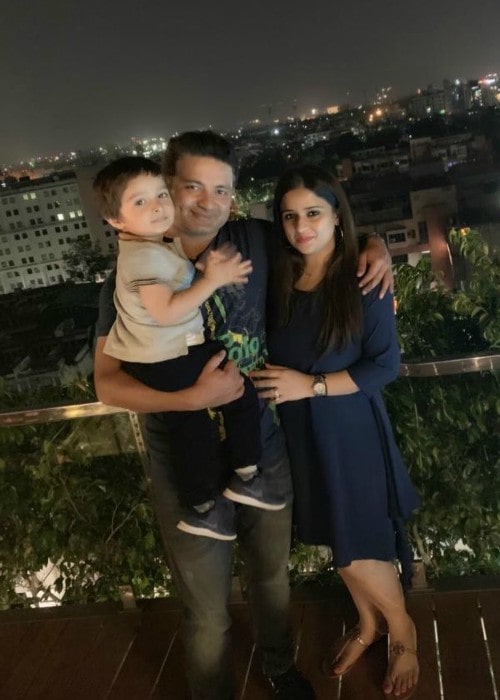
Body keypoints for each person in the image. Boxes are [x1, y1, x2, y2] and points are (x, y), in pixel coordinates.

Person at [93, 131, 393, 700]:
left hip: (263, 440)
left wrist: (375, 244)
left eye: (222, 190)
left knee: (271, 576)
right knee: (207, 605)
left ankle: (279, 667)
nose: (208, 202)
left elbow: (318, 231)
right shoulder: (132, 275)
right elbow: (107, 383)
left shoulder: (253, 240)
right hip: (182, 453)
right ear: (167, 186)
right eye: (192, 187)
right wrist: (190, 399)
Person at [251, 164, 420, 700]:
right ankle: (369, 625)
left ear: (336, 217)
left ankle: (404, 633)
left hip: (350, 433)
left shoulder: (362, 280)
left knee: (358, 547)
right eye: (290, 216)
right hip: (301, 435)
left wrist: (311, 386)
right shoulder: (279, 277)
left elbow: (384, 366)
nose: (301, 227)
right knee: (335, 539)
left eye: (313, 214)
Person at [93, 156, 285, 542]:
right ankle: (245, 477)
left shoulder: (159, 248)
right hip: (167, 357)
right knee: (232, 398)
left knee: (193, 429)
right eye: (141, 202)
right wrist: (213, 279)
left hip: (165, 358)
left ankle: (203, 507)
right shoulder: (142, 259)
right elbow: (165, 311)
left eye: (159, 195)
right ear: (115, 220)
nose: (157, 206)